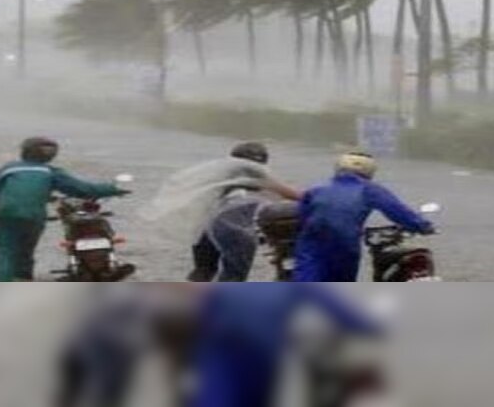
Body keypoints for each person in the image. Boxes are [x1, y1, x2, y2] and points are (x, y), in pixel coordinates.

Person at [190, 283, 385, 407]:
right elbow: (339, 312)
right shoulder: (298, 288)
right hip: (258, 353)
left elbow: (204, 320)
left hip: (224, 349)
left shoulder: (223, 291)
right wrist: (371, 328)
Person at [0, 137, 128, 282]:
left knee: (4, 254)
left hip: (4, 215)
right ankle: (23, 280)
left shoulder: (9, 168)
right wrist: (112, 189)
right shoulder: (50, 172)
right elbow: (82, 189)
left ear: (24, 151)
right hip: (33, 217)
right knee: (25, 253)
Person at [294, 152, 434, 283]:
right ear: (369, 171)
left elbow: (303, 215)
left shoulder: (316, 189)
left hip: (312, 241)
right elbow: (397, 211)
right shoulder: (370, 190)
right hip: (345, 243)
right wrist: (423, 226)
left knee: (307, 279)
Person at [183, 142, 300, 282]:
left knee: (203, 270)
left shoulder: (218, 176)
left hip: (204, 225)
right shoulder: (256, 178)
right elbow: (295, 196)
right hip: (233, 228)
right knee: (234, 275)